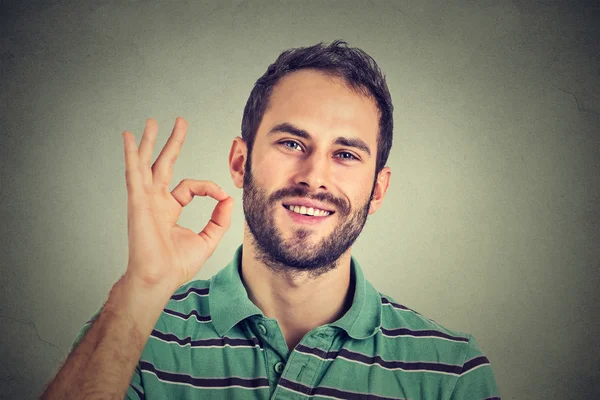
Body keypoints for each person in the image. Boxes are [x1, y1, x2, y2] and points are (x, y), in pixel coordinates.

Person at [41, 40, 500, 399]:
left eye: (345, 154)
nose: (314, 177)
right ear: (240, 163)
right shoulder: (131, 333)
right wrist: (142, 286)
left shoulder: (450, 372)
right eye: (292, 144)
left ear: (377, 189)